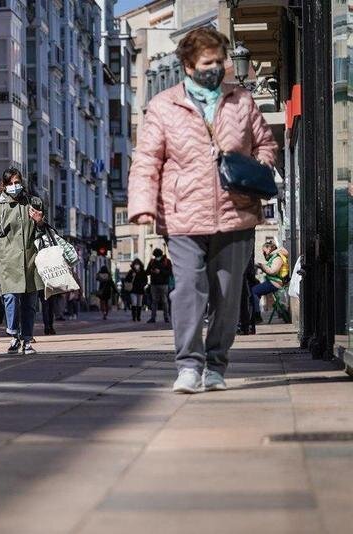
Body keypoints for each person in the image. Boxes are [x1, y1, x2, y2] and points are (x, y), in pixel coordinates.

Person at [128, 27, 278, 393]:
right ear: (188, 64)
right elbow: (147, 159)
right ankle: (189, 366)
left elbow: (267, 145)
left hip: (236, 209)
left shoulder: (241, 100)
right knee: (189, 289)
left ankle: (216, 365)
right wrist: (143, 206)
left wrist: (251, 167)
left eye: (220, 62)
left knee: (227, 296)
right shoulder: (164, 105)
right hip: (182, 212)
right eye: (208, 62)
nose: (216, 68)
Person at [0, 168, 46, 355]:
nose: (14, 186)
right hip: (8, 262)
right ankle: (14, 335)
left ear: (22, 182)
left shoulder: (33, 203)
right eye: (10, 183)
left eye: (17, 182)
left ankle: (27, 340)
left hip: (31, 260)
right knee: (10, 298)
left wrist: (39, 221)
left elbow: (44, 233)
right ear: (4, 185)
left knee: (29, 303)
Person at [252, 241, 290, 321]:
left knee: (253, 292)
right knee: (255, 291)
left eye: (264, 250)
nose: (263, 252)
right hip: (272, 282)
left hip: (275, 283)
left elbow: (273, 271)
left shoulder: (277, 257)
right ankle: (255, 312)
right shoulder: (274, 257)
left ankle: (257, 315)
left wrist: (262, 266)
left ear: (269, 248)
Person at [146, 248, 173, 323]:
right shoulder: (152, 261)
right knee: (155, 301)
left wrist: (160, 271)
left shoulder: (167, 261)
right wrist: (152, 271)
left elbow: (170, 272)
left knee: (164, 301)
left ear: (161, 255)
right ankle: (153, 317)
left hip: (163, 284)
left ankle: (166, 317)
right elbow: (147, 272)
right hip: (154, 284)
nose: (156, 258)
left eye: (157, 256)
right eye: (155, 256)